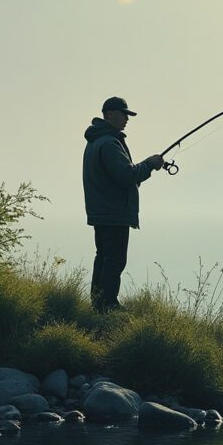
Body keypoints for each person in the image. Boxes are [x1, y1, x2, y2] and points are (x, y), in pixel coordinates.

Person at [82, 96, 164, 312]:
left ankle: (98, 304)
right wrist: (150, 164)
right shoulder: (109, 143)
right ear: (109, 114)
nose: (126, 119)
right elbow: (126, 176)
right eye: (123, 114)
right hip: (113, 213)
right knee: (115, 261)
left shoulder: (96, 141)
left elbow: (117, 177)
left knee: (103, 258)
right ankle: (108, 305)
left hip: (101, 212)